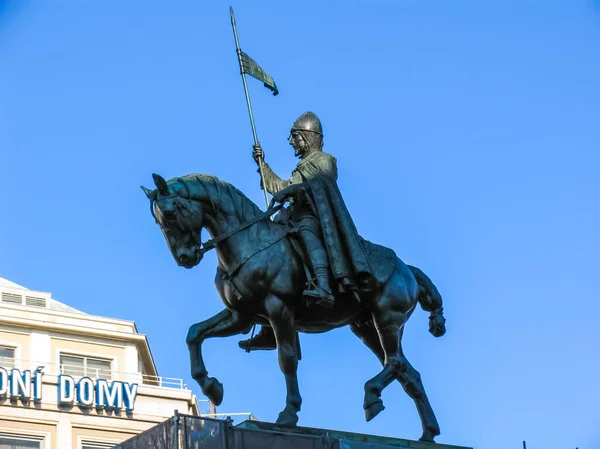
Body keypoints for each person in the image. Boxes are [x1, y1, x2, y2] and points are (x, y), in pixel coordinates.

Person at [239, 111, 374, 351]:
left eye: (295, 137)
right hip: (290, 218)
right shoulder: (301, 166)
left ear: (308, 137)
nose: (292, 142)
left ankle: (323, 285)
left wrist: (296, 190)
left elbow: (320, 183)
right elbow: (281, 187)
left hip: (313, 217)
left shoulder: (324, 160)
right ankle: (269, 328)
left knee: (307, 234)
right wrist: (263, 165)